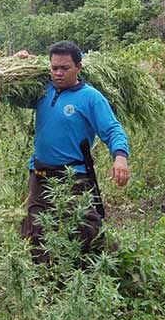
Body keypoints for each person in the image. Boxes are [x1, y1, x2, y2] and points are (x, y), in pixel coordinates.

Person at [13, 41, 130, 264]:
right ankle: (45, 280)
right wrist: (14, 64)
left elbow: (112, 129)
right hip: (39, 175)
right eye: (54, 67)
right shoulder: (42, 91)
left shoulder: (90, 97)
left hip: (73, 176)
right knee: (36, 230)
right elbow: (9, 92)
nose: (58, 73)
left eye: (64, 68)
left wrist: (121, 157)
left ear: (79, 67)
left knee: (86, 229)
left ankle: (113, 268)